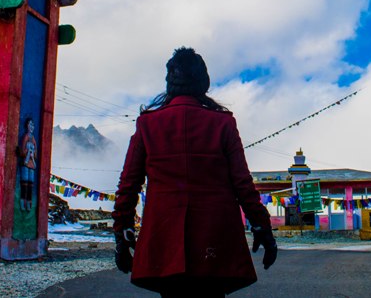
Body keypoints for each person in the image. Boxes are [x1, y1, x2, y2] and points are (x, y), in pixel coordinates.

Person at [113, 47, 276, 297]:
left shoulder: (147, 123)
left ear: (170, 82)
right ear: (203, 82)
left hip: (165, 238)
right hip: (215, 238)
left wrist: (121, 234)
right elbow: (242, 184)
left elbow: (128, 185)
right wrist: (261, 226)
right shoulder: (223, 123)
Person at [18, 117, 37, 211]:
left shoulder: (33, 139)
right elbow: (22, 151)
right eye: (30, 124)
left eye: (33, 125)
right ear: (27, 126)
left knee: (30, 184)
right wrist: (27, 152)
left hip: (31, 162)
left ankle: (29, 203)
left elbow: (36, 151)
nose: (31, 126)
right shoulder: (26, 137)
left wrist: (33, 154)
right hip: (25, 162)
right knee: (24, 183)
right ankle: (22, 202)